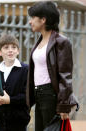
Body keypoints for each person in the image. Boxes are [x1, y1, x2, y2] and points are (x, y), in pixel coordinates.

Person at [26, 1, 78, 131]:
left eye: (33, 18)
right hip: (39, 95)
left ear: (43, 19)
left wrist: (64, 106)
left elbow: (65, 76)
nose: (30, 21)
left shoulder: (61, 42)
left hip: (51, 95)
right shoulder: (39, 42)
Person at [0, 34, 30, 131]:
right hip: (0, 123)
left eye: (14, 47)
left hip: (18, 123)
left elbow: (30, 96)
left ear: (18, 51)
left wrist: (10, 100)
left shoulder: (25, 70)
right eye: (6, 47)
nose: (10, 50)